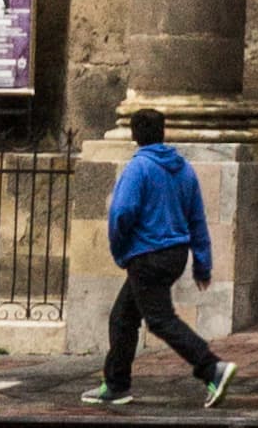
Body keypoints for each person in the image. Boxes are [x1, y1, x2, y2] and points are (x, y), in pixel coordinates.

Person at [85, 107, 236, 408]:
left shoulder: (138, 168)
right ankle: (116, 384)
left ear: (134, 134)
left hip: (146, 255)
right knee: (123, 317)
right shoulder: (183, 169)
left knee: (159, 319)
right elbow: (197, 219)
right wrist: (203, 264)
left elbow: (121, 213)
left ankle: (211, 368)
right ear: (163, 131)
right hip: (175, 255)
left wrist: (121, 250)